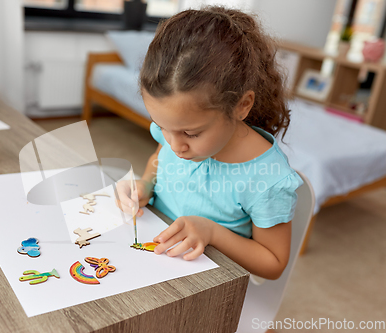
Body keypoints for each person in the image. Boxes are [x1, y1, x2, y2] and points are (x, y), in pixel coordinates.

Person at [116, 6, 303, 280]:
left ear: (242, 106)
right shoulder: (175, 138)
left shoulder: (268, 179)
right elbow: (159, 159)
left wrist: (213, 232)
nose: (175, 145)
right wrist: (144, 185)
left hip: (210, 284)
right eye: (163, 128)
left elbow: (273, 263)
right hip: (156, 257)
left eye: (191, 134)